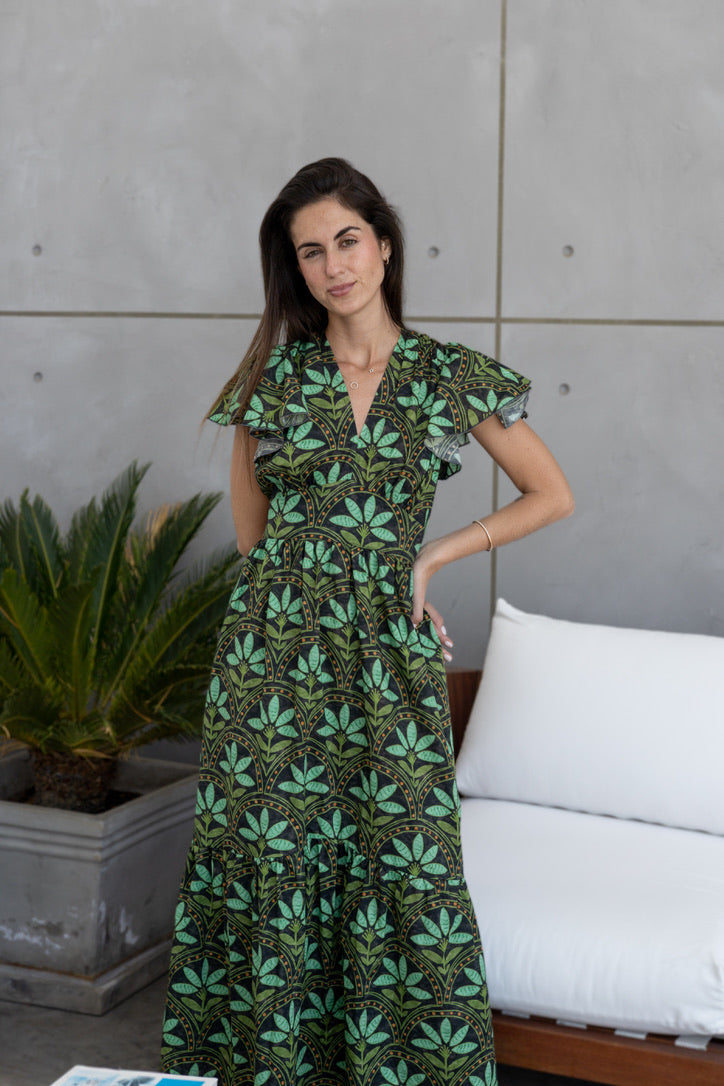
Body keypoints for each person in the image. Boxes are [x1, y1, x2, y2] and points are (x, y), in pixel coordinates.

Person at [161, 157, 574, 1086]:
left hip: (386, 658)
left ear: (383, 245)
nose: (333, 265)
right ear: (296, 269)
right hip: (269, 669)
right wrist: (301, 607)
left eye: (347, 240)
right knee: (272, 867)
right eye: (310, 252)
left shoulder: (447, 375)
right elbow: (254, 544)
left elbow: (551, 493)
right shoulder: (270, 382)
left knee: (405, 866)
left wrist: (431, 557)